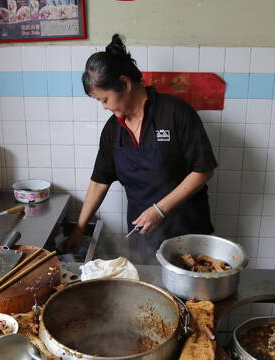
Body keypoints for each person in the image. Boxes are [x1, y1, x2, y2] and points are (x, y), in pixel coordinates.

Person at [67, 34, 217, 264]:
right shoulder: (112, 130)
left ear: (125, 84)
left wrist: (159, 210)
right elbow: (100, 180)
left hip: (187, 233)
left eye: (104, 99)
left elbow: (203, 170)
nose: (104, 107)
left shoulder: (175, 113)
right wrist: (79, 229)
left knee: (193, 300)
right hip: (143, 239)